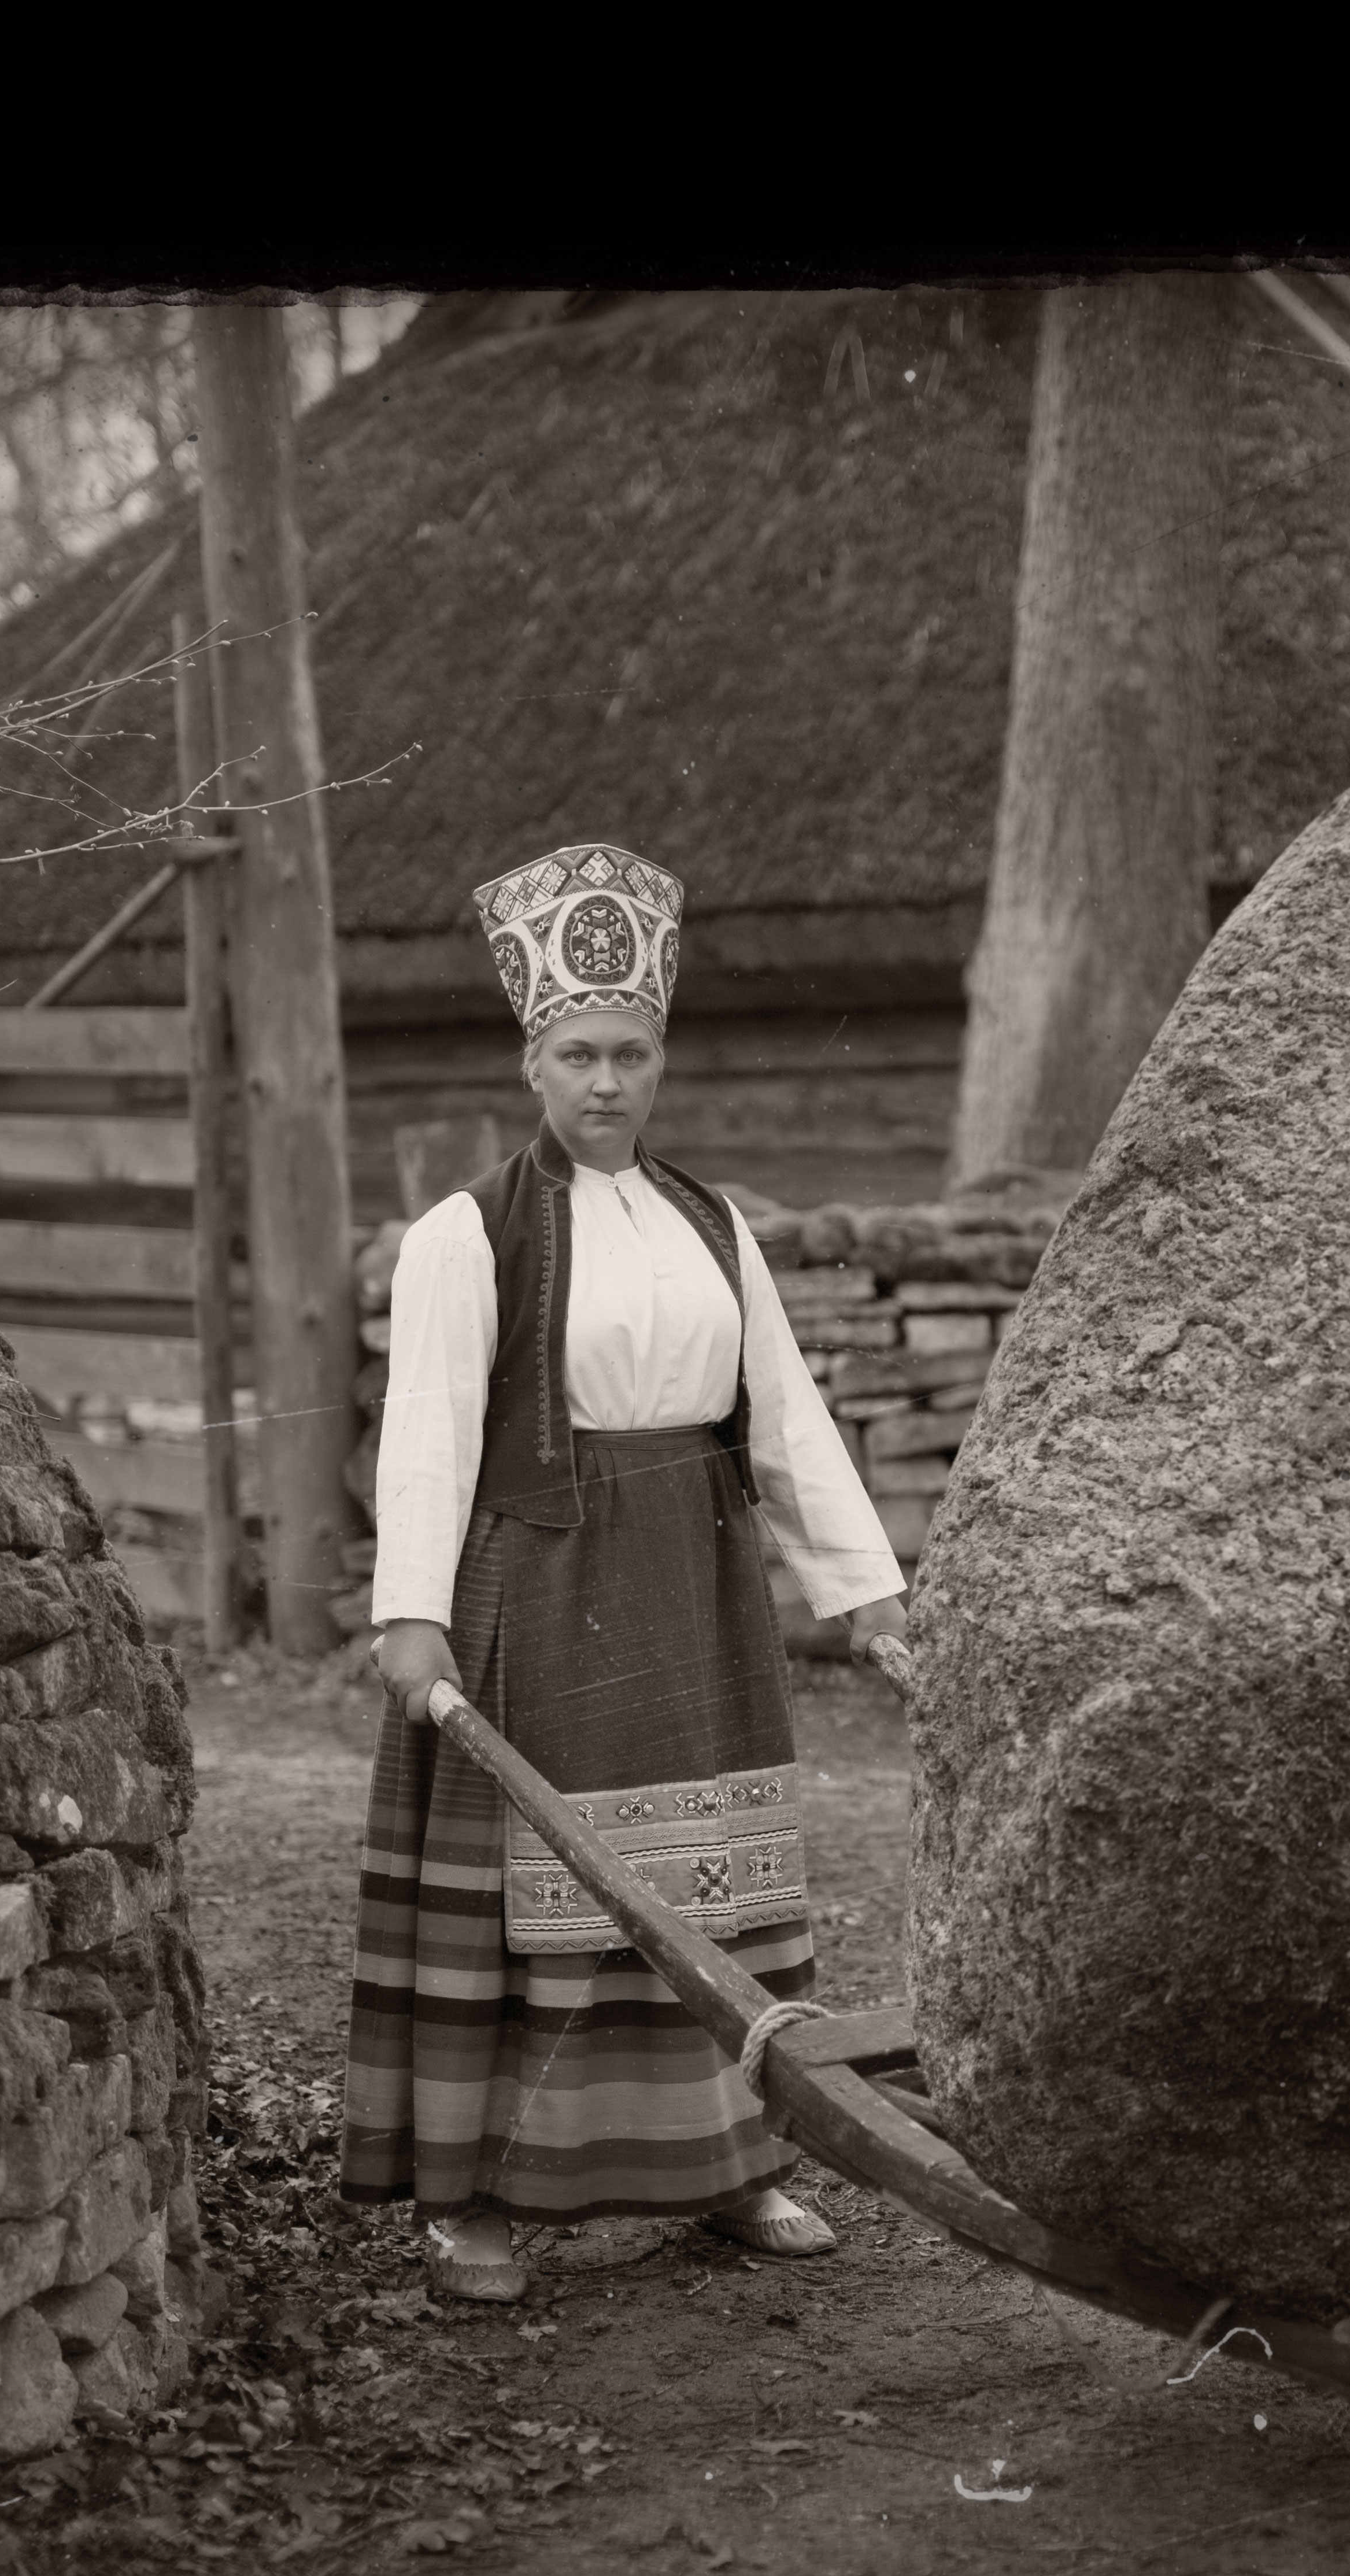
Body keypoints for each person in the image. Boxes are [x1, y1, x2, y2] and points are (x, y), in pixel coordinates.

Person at [342, 842, 913, 2304]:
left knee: (707, 1886)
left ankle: (731, 2161)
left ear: (659, 1060)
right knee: (551, 1894)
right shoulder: (466, 1233)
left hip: (698, 1586)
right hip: (543, 1586)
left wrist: (865, 1591)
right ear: (532, 1062)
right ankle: (474, 2199)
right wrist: (411, 1616)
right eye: (579, 1055)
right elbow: (426, 1428)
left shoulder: (712, 1224)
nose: (606, 1082)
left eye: (631, 1054)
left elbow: (784, 1417)